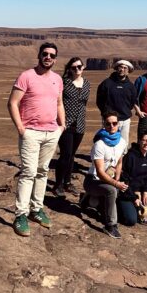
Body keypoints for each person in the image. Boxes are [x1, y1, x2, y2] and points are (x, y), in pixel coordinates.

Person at [7, 42, 65, 237]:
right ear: (39, 55)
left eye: (52, 55)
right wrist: (21, 128)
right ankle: (20, 215)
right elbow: (13, 103)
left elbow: (59, 103)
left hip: (51, 132)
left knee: (42, 171)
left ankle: (36, 209)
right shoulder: (26, 76)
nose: (48, 57)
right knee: (28, 173)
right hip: (31, 132)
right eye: (45, 54)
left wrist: (62, 126)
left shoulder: (57, 79)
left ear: (55, 59)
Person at [82, 111, 129, 239]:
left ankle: (90, 199)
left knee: (114, 191)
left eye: (114, 123)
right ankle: (110, 225)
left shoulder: (122, 142)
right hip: (93, 180)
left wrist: (117, 179)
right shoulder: (99, 144)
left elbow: (119, 162)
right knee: (112, 190)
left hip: (108, 179)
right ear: (104, 124)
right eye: (108, 124)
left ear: (118, 124)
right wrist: (116, 184)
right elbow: (100, 173)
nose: (112, 126)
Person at [52, 56, 89, 197]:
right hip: (65, 123)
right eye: (74, 67)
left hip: (80, 124)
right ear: (69, 69)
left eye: (79, 66)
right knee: (65, 154)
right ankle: (58, 185)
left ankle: (67, 182)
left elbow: (84, 104)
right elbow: (57, 102)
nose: (77, 69)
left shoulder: (87, 84)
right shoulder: (64, 82)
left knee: (72, 155)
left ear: (83, 67)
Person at [117, 134, 147, 226]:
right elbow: (124, 179)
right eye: (144, 140)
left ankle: (139, 207)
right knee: (131, 221)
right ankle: (121, 206)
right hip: (129, 191)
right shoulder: (130, 156)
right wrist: (134, 197)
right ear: (139, 141)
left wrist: (146, 190)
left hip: (142, 190)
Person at [96, 60, 138, 151]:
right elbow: (100, 101)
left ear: (128, 71)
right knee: (107, 141)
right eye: (120, 67)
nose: (122, 69)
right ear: (116, 68)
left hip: (125, 119)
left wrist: (125, 111)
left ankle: (122, 159)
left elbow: (132, 102)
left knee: (124, 143)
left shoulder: (131, 87)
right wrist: (106, 114)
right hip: (109, 120)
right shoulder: (106, 83)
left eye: (125, 68)